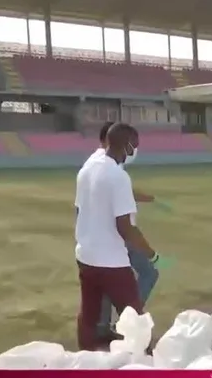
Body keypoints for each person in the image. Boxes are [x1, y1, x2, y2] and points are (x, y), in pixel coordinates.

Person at [74, 123, 172, 351]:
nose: (135, 151)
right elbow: (125, 227)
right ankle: (145, 366)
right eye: (134, 146)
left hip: (86, 255)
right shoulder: (118, 176)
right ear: (126, 146)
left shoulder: (86, 170)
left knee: (88, 313)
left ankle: (85, 359)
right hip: (111, 260)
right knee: (134, 317)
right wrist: (153, 256)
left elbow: (79, 210)